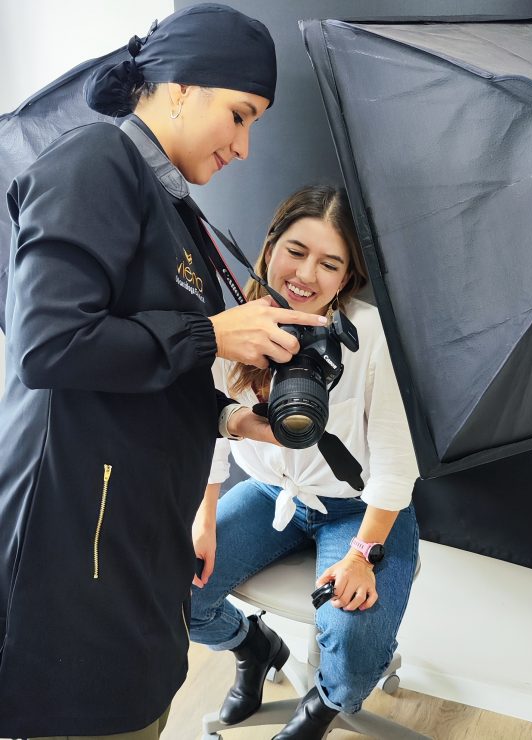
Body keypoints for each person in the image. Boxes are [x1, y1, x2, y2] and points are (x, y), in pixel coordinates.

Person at [0, 5, 329, 738]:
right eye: (240, 116)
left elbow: (142, 363)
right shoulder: (95, 163)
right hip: (75, 548)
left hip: (136, 538)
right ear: (179, 89)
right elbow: (48, 344)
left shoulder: (175, 208)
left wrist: (225, 417)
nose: (245, 147)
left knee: (138, 706)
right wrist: (211, 332)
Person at [190, 184, 420, 739]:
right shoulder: (230, 326)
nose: (306, 274)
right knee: (177, 586)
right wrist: (203, 515)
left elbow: (397, 464)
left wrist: (364, 554)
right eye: (296, 250)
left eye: (330, 263)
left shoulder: (369, 335)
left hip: (358, 511)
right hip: (272, 495)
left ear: (346, 278)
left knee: (354, 632)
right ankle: (254, 647)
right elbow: (209, 429)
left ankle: (322, 706)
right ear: (269, 247)